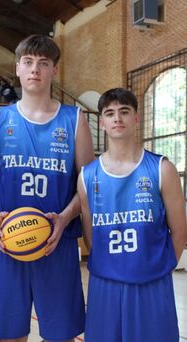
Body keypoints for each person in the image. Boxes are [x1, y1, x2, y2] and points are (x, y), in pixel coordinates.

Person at [0, 34, 94, 341]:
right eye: (28, 63)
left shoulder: (75, 119)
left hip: (56, 244)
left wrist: (65, 218)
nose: (35, 70)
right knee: (9, 336)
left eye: (43, 63)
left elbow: (88, 186)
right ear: (17, 68)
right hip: (10, 244)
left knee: (61, 336)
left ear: (54, 70)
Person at [77, 88, 187, 342]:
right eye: (110, 113)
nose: (118, 118)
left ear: (136, 118)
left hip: (151, 282)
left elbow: (179, 232)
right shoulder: (87, 176)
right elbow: (90, 234)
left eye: (124, 112)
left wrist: (159, 266)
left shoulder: (162, 168)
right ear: (101, 122)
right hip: (105, 283)